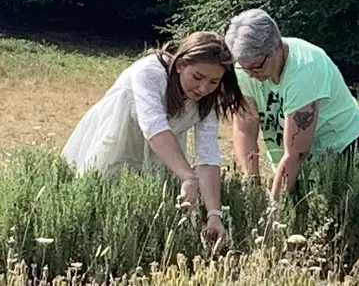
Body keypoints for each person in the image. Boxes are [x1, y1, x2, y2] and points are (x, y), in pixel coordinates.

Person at [61, 31, 246, 242]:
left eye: (213, 81)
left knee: (149, 215)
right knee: (97, 205)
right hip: (115, 141)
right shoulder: (149, 72)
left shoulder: (210, 97)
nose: (204, 87)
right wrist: (187, 175)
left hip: (165, 153)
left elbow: (208, 154)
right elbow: (154, 127)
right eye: (197, 77)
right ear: (180, 65)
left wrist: (214, 214)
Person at [223, 8, 359, 205]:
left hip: (346, 150)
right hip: (296, 159)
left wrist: (273, 210)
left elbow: (296, 153)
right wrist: (252, 183)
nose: (251, 74)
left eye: (256, 66)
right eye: (244, 68)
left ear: (276, 47)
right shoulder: (245, 68)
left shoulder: (305, 69)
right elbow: (245, 127)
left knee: (343, 219)